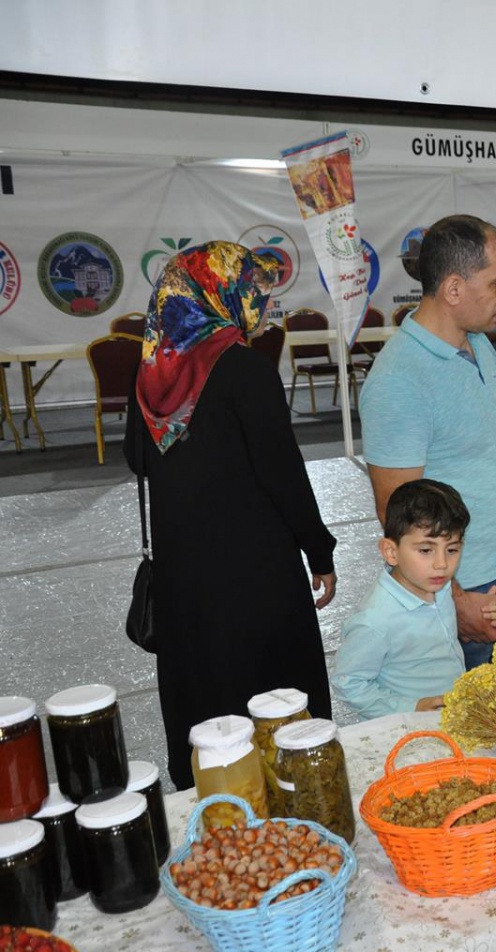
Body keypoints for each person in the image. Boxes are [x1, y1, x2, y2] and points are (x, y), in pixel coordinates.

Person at [126, 242, 337, 790]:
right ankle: (283, 793)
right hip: (255, 576)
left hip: (184, 579)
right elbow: (283, 474)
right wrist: (319, 549)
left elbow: (137, 460)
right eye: (253, 290)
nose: (262, 303)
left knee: (204, 691)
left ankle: (213, 794)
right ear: (221, 294)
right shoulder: (245, 370)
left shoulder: (152, 375)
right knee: (272, 696)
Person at [360, 215, 496, 670]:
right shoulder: (399, 379)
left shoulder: (477, 345)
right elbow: (394, 508)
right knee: (466, 710)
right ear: (454, 289)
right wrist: (453, 600)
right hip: (461, 591)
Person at [332, 479, 478, 720]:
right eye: (426, 550)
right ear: (391, 552)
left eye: (452, 549)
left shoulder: (439, 586)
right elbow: (347, 683)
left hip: (451, 715)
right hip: (408, 727)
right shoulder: (375, 620)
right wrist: (410, 707)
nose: (442, 564)